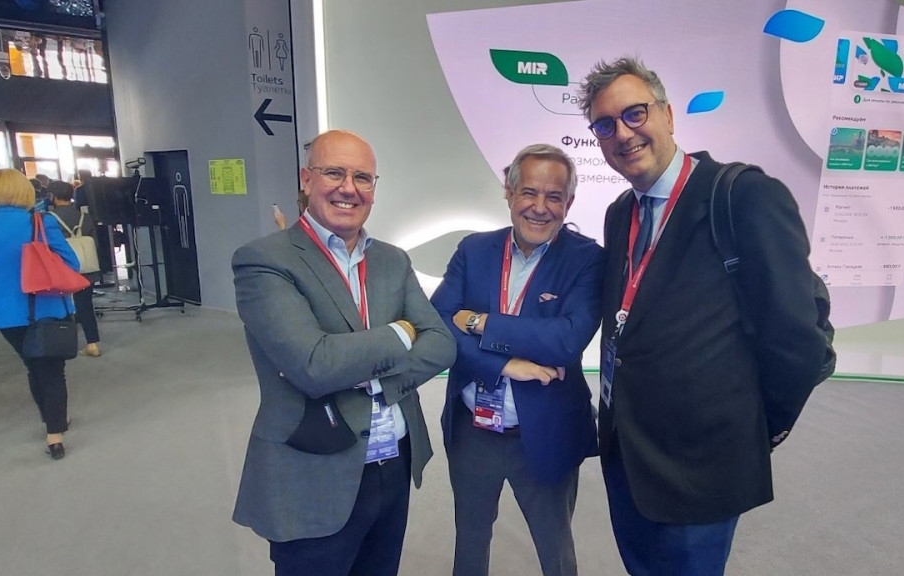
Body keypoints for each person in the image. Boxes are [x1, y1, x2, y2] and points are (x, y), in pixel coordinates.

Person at [577, 57, 827, 575]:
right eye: (605, 125)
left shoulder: (742, 196)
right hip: (629, 454)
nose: (623, 133)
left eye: (635, 113)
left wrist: (755, 428)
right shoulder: (620, 212)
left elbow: (796, 339)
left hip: (701, 463)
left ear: (667, 115)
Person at [231, 130, 456, 575]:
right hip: (313, 470)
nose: (348, 188)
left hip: (393, 462)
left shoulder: (393, 260)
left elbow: (441, 343)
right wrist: (400, 333)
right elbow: (315, 365)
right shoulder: (265, 260)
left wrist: (366, 371)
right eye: (334, 172)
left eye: (362, 177)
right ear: (306, 179)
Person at [430, 144, 603, 576]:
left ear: (569, 203)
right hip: (473, 429)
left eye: (554, 196)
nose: (540, 208)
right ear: (509, 193)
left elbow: (567, 340)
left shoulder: (587, 258)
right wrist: (505, 365)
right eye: (529, 192)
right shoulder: (474, 250)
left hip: (546, 430)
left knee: (555, 549)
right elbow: (437, 324)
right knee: (470, 544)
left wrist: (480, 322)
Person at [0, 169, 80, 460]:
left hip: (6, 311)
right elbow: (72, 263)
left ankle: (50, 418)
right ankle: (55, 433)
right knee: (53, 370)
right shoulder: (40, 222)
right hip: (49, 306)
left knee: (33, 366)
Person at [46, 181, 102, 357]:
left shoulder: (48, 219)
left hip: (61, 268)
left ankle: (63, 344)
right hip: (86, 266)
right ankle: (92, 344)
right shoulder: (85, 217)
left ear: (52, 196)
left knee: (61, 306)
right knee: (85, 306)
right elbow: (95, 243)